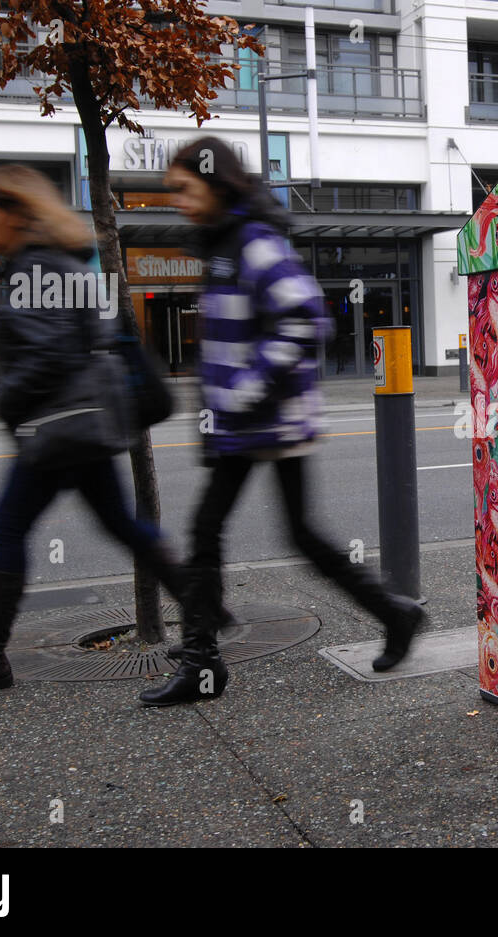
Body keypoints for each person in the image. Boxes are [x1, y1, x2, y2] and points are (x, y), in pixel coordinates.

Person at [140, 137, 424, 707]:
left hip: (266, 422)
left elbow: (305, 320)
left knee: (210, 532)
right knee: (291, 535)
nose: (178, 202)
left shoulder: (253, 242)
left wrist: (244, 391)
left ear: (215, 183)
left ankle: (204, 662)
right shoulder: (226, 241)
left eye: (184, 189)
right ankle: (394, 613)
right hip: (251, 424)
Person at [0, 166, 190, 696]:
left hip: (55, 427)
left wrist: (8, 403)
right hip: (77, 425)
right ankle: (204, 605)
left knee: (9, 527)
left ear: (15, 213)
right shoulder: (55, 262)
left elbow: (52, 353)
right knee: (120, 525)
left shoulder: (37, 267)